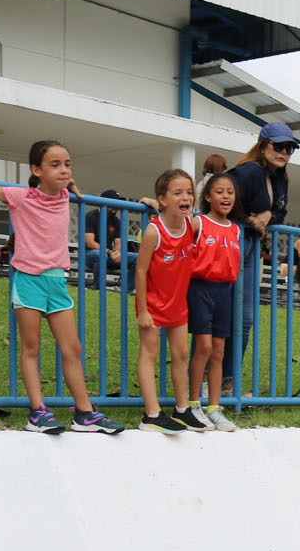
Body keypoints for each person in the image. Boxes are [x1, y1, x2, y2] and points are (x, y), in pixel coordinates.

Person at [0, 143, 123, 434]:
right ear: (36, 170)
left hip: (56, 281)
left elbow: (67, 181)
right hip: (28, 279)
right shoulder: (21, 197)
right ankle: (38, 413)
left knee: (72, 348)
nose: (64, 169)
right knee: (31, 348)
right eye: (54, 164)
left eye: (67, 163)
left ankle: (85, 413)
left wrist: (70, 181)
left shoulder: (66, 194)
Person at [227, 123, 298, 393]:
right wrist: (248, 219)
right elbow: (223, 201)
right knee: (224, 316)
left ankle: (227, 382)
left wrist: (268, 216)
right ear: (262, 145)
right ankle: (204, 381)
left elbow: (281, 212)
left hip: (253, 246)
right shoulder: (247, 172)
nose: (284, 152)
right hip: (233, 242)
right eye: (278, 146)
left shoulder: (281, 178)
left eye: (289, 148)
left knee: (244, 319)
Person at [135, 169, 205, 433]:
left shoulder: (192, 224)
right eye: (177, 193)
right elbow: (140, 271)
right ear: (163, 199)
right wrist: (143, 310)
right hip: (152, 304)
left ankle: (182, 409)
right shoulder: (154, 232)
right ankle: (151, 415)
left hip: (178, 304)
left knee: (181, 354)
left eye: (189, 192)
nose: (185, 197)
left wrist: (156, 203)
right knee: (149, 354)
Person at [186, 173, 242, 432]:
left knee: (219, 349)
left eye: (230, 191)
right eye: (219, 191)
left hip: (224, 292)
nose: (226, 196)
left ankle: (214, 407)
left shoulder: (235, 229)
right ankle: (193, 403)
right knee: (203, 346)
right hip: (200, 289)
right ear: (207, 197)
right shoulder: (198, 223)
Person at [81, 189, 141, 287]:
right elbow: (90, 243)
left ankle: (126, 291)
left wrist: (117, 252)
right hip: (90, 254)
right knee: (100, 255)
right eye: (113, 203)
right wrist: (110, 252)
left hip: (109, 255)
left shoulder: (116, 220)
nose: (115, 207)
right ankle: (98, 288)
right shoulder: (90, 216)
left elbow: (118, 243)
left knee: (138, 258)